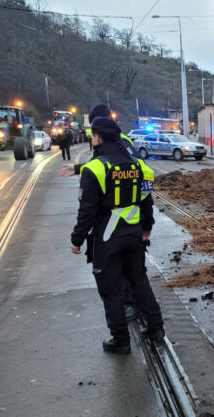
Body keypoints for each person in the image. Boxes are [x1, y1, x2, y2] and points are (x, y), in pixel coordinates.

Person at [70, 117, 165, 354]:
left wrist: (77, 239)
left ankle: (120, 340)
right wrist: (147, 227)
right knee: (139, 280)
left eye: (92, 136)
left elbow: (87, 210)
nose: (91, 140)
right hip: (133, 235)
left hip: (107, 238)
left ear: (98, 138)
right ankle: (156, 327)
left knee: (111, 289)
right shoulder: (137, 165)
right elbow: (146, 200)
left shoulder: (94, 168)